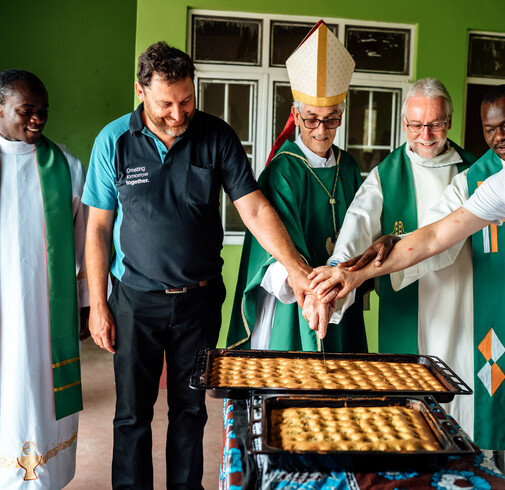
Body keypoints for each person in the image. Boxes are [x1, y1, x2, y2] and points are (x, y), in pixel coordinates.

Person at [309, 59, 505, 490]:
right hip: (473, 321)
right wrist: (349, 273)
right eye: (415, 126)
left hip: (478, 315)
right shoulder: (499, 178)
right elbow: (431, 235)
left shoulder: (481, 167)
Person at [82, 41, 311, 489]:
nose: (177, 112)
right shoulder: (114, 141)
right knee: (132, 414)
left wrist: (297, 268)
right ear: (140, 91)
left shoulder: (217, 136)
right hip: (134, 301)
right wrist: (97, 303)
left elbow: (255, 209)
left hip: (199, 302)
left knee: (190, 410)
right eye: (165, 103)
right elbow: (97, 230)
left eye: (186, 99)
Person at [379, 85, 505, 488]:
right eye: (491, 130)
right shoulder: (477, 178)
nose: (502, 136)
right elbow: (437, 231)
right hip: (501, 316)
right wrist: (385, 253)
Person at [226, 20, 366, 353]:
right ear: (296, 114)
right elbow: (272, 254)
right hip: (294, 301)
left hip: (340, 295)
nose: (321, 129)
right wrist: (313, 291)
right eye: (312, 119)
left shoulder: (348, 167)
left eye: (331, 119)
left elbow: (361, 229)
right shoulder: (282, 170)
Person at [310, 78, 476, 347]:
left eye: (435, 124)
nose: (426, 135)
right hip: (406, 301)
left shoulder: (474, 172)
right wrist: (335, 270)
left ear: (449, 122)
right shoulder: (386, 175)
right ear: (404, 124)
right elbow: (358, 223)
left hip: (462, 297)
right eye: (416, 125)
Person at [0, 70, 88, 488]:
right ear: (0, 109)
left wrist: (89, 304)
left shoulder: (66, 168)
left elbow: (87, 245)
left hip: (44, 313)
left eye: (43, 112)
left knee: (38, 391)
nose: (37, 119)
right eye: (26, 111)